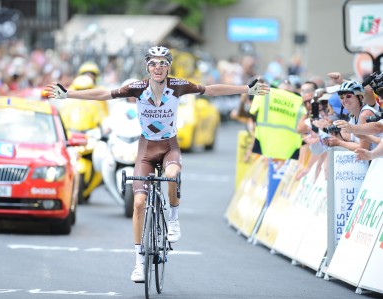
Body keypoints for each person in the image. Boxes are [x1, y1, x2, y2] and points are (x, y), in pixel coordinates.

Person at [45, 46, 269, 283]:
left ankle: (172, 217)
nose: (158, 67)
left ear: (168, 66)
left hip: (169, 146)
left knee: (172, 175)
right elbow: (104, 94)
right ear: (147, 67)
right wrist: (68, 94)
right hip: (145, 149)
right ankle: (139, 262)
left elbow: (211, 90)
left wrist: (247, 89)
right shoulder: (138, 88)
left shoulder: (178, 86)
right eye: (153, 63)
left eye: (163, 63)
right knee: (139, 202)